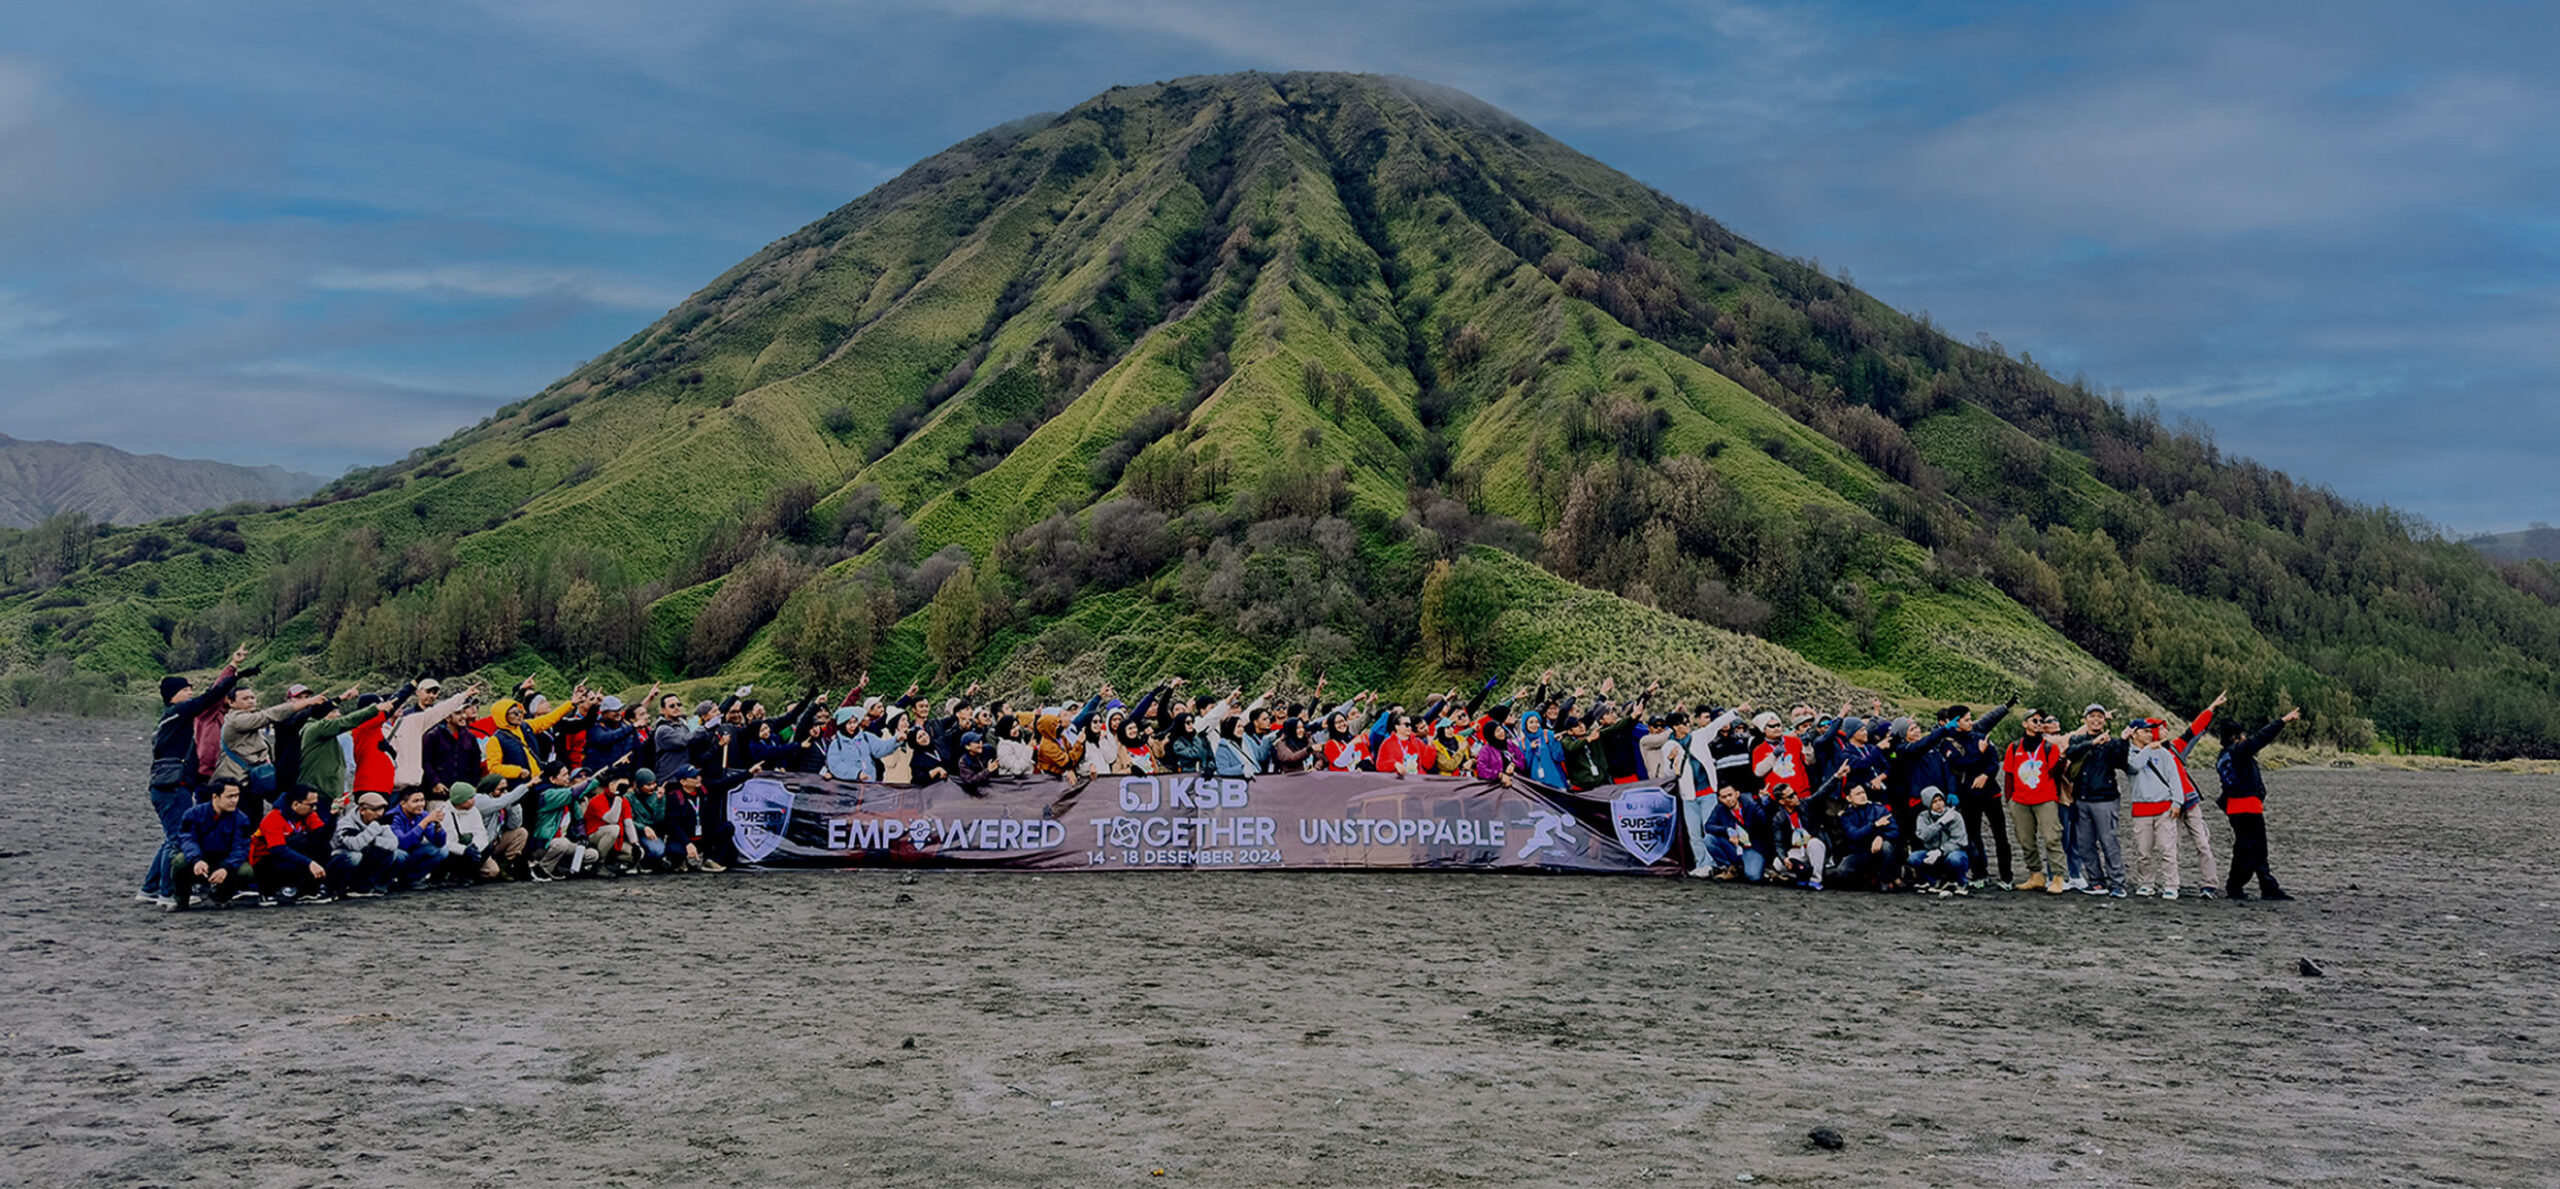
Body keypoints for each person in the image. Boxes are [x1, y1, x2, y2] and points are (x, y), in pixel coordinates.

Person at [143, 647, 247, 905]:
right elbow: (210, 697)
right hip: (173, 786)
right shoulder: (178, 713)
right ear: (173, 696)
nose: (190, 692)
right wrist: (233, 671)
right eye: (185, 689)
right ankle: (167, 894)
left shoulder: (169, 718)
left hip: (165, 786)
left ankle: (149, 888)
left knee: (171, 837)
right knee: (176, 839)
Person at [2219, 709, 2301, 901]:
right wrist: (2283, 721)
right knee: (2250, 850)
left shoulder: (2223, 756)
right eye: (2242, 735)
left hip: (2237, 807)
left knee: (2252, 848)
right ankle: (2238, 887)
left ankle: (2264, 886)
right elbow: (2262, 737)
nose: (2246, 738)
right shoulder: (2239, 752)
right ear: (2235, 737)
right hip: (2247, 806)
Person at [217, 684, 322, 821]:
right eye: (245, 698)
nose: (250, 701)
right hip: (237, 783)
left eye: (252, 697)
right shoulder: (237, 720)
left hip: (251, 782)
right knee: (240, 822)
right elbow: (268, 715)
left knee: (254, 819)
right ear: (231, 702)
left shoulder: (249, 719)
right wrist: (307, 703)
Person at [2061, 704, 2134, 897]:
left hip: (2105, 798)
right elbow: (2070, 753)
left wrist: (2124, 741)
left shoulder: (2112, 743)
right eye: (2092, 716)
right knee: (2085, 844)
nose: (2096, 720)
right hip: (2081, 798)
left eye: (2100, 716)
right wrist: (2093, 743)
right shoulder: (2078, 740)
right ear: (2085, 719)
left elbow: (2121, 762)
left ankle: (2118, 883)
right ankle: (2096, 881)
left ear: (2105, 720)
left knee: (2109, 841)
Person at [2001, 710, 2069, 894]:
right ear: (2025, 724)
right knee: (2025, 840)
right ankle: (2035, 875)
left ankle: (2057, 877)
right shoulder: (2014, 748)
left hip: (2045, 799)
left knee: (2052, 838)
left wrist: (2062, 761)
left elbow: (2056, 774)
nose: (2039, 723)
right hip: (2020, 800)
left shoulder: (2049, 748)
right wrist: (2010, 799)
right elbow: (2008, 774)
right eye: (2035, 720)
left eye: (2042, 721)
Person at [2123, 718, 2186, 898]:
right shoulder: (2127, 752)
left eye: (2151, 731)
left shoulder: (2164, 754)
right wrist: (2148, 750)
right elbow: (2134, 766)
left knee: (2167, 850)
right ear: (2134, 733)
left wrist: (2177, 802)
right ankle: (2146, 883)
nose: (2150, 735)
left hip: (2164, 806)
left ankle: (2171, 885)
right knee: (2144, 852)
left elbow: (2174, 777)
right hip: (2141, 808)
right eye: (2145, 731)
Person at [170, 777, 255, 911]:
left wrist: (226, 868)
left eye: (237, 796)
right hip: (200, 858)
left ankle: (222, 897)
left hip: (224, 859)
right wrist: (197, 860)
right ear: (215, 797)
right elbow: (187, 839)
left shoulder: (241, 819)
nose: (234, 800)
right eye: (230, 796)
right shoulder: (193, 814)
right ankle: (181, 901)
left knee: (246, 871)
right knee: (179, 861)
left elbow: (241, 847)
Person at [248, 783, 335, 905]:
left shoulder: (308, 814)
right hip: (264, 859)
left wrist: (333, 817)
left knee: (323, 848)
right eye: (311, 805)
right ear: (295, 804)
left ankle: (307, 891)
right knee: (293, 864)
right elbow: (278, 849)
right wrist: (309, 863)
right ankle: (268, 892)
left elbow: (321, 837)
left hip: (288, 852)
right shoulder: (273, 818)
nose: (315, 808)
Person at [443, 780, 528, 881]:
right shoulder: (445, 814)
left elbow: (481, 832)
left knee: (493, 872)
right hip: (457, 851)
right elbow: (447, 842)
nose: (474, 801)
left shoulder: (473, 810)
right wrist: (464, 850)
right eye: (470, 798)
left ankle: (501, 867)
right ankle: (456, 873)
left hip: (483, 847)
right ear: (460, 800)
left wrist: (476, 847)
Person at [330, 792, 398, 897]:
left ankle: (363, 887)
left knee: (396, 854)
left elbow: (393, 843)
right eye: (375, 810)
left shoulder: (379, 821)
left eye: (381, 809)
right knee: (355, 856)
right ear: (362, 810)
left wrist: (370, 839)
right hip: (340, 855)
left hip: (365, 855)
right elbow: (356, 845)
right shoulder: (346, 822)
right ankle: (338, 887)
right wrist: (374, 828)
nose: (379, 814)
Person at [384, 789, 455, 890]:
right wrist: (424, 822)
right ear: (403, 803)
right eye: (415, 801)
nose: (420, 804)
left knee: (442, 850)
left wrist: (438, 826)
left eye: (422, 800)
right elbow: (402, 843)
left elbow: (439, 842)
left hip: (413, 852)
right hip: (395, 852)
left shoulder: (423, 815)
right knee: (399, 855)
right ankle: (388, 881)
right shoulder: (392, 817)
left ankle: (412, 879)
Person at [1835, 783, 1899, 892]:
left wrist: (1881, 836)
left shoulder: (1879, 809)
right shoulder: (1846, 816)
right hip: (1858, 853)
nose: (1862, 796)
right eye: (1858, 794)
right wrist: (1874, 825)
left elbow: (1895, 831)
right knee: (1842, 871)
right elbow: (1854, 835)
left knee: (1887, 846)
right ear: (1849, 798)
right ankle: (1865, 881)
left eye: (1863, 792)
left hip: (1878, 852)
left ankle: (1885, 880)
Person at [1906, 789, 1971, 894]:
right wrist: (1940, 823)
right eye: (1934, 802)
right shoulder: (1923, 817)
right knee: (1913, 858)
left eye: (1940, 800)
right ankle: (1933, 881)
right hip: (1931, 853)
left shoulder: (1955, 816)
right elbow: (1923, 835)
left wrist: (1941, 850)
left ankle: (1960, 882)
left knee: (1957, 859)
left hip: (1950, 853)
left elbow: (1960, 841)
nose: (1939, 804)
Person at [1702, 785, 1766, 882]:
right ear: (1719, 799)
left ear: (1737, 794)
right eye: (1724, 797)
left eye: (1730, 795)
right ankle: (1729, 868)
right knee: (1709, 839)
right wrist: (1726, 830)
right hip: (1733, 846)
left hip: (1752, 847)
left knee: (1753, 877)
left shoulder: (1751, 805)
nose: (1728, 799)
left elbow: (1764, 822)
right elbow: (1708, 826)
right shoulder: (1720, 809)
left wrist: (1765, 803)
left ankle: (1744, 868)